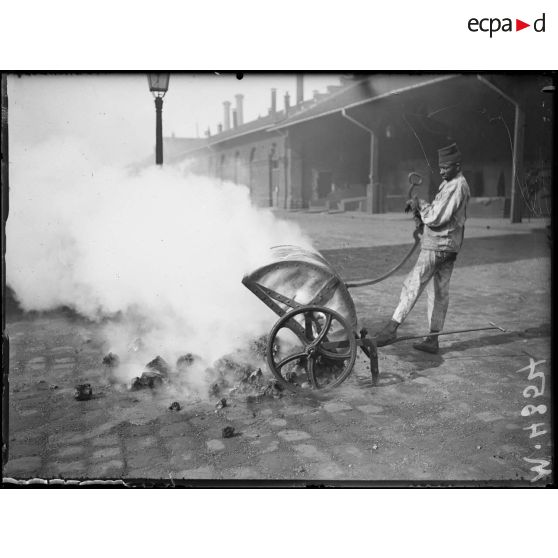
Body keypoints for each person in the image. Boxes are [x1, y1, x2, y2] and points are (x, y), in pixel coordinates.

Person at [375, 143, 471, 354]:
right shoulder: (451, 184)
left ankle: (391, 329)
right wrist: (420, 216)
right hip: (448, 247)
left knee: (413, 284)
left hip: (438, 246)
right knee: (438, 293)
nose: (442, 171)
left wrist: (419, 204)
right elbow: (439, 214)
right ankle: (432, 340)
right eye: (440, 167)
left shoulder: (456, 185)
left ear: (457, 166)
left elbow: (436, 217)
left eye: (446, 167)